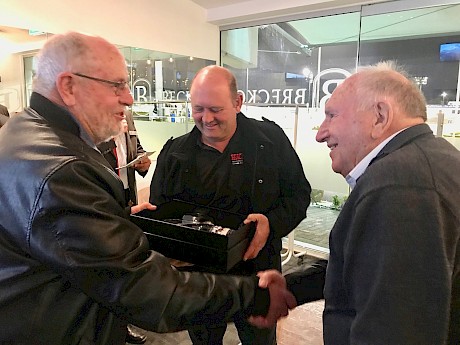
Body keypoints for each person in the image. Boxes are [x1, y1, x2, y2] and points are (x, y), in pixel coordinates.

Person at [0, 32, 296, 345]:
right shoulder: (65, 167)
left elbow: (55, 234)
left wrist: (116, 221)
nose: (129, 98)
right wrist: (253, 294)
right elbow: (141, 288)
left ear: (237, 103)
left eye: (216, 109)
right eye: (116, 85)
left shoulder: (20, 135)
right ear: (69, 87)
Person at [254, 61, 460, 344]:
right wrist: (295, 286)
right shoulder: (430, 160)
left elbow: (395, 332)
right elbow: (376, 270)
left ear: (379, 116)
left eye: (332, 115)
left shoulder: (397, 186)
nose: (320, 133)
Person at [149, 65, 311, 345]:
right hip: (198, 281)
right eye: (198, 109)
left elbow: (299, 195)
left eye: (215, 109)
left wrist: (271, 224)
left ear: (238, 103)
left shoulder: (270, 141)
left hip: (257, 274)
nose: (206, 119)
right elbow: (159, 209)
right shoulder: (175, 152)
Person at [98, 113, 150, 344]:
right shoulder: (96, 123)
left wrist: (143, 162)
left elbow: (136, 148)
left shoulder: (127, 116)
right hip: (104, 202)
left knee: (125, 261)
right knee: (106, 265)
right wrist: (111, 132)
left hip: (128, 199)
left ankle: (122, 323)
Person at [98, 110, 151, 207]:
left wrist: (142, 160)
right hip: (105, 192)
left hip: (129, 191)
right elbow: (90, 152)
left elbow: (136, 146)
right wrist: (112, 133)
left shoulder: (127, 115)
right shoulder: (95, 116)